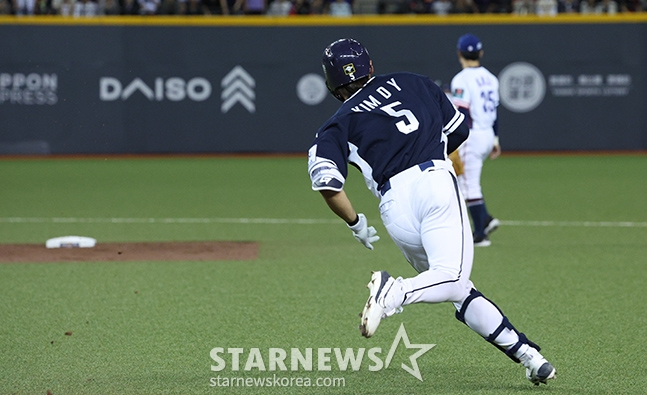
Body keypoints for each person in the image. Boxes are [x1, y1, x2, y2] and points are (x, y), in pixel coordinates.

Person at [308, 38, 556, 386]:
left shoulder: (335, 124)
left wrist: (356, 222)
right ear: (371, 66)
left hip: (393, 209)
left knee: (457, 289)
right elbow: (459, 132)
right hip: (433, 184)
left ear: (331, 84)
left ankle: (529, 356)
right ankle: (392, 294)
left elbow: (328, 185)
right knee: (450, 279)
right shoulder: (414, 81)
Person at [450, 33, 501, 247]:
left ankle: (480, 235)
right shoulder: (491, 77)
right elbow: (496, 110)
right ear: (480, 53)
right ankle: (486, 220)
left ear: (459, 53)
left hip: (472, 134)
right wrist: (496, 139)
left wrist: (455, 140)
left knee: (468, 186)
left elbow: (463, 113)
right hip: (488, 133)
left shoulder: (461, 79)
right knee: (468, 183)